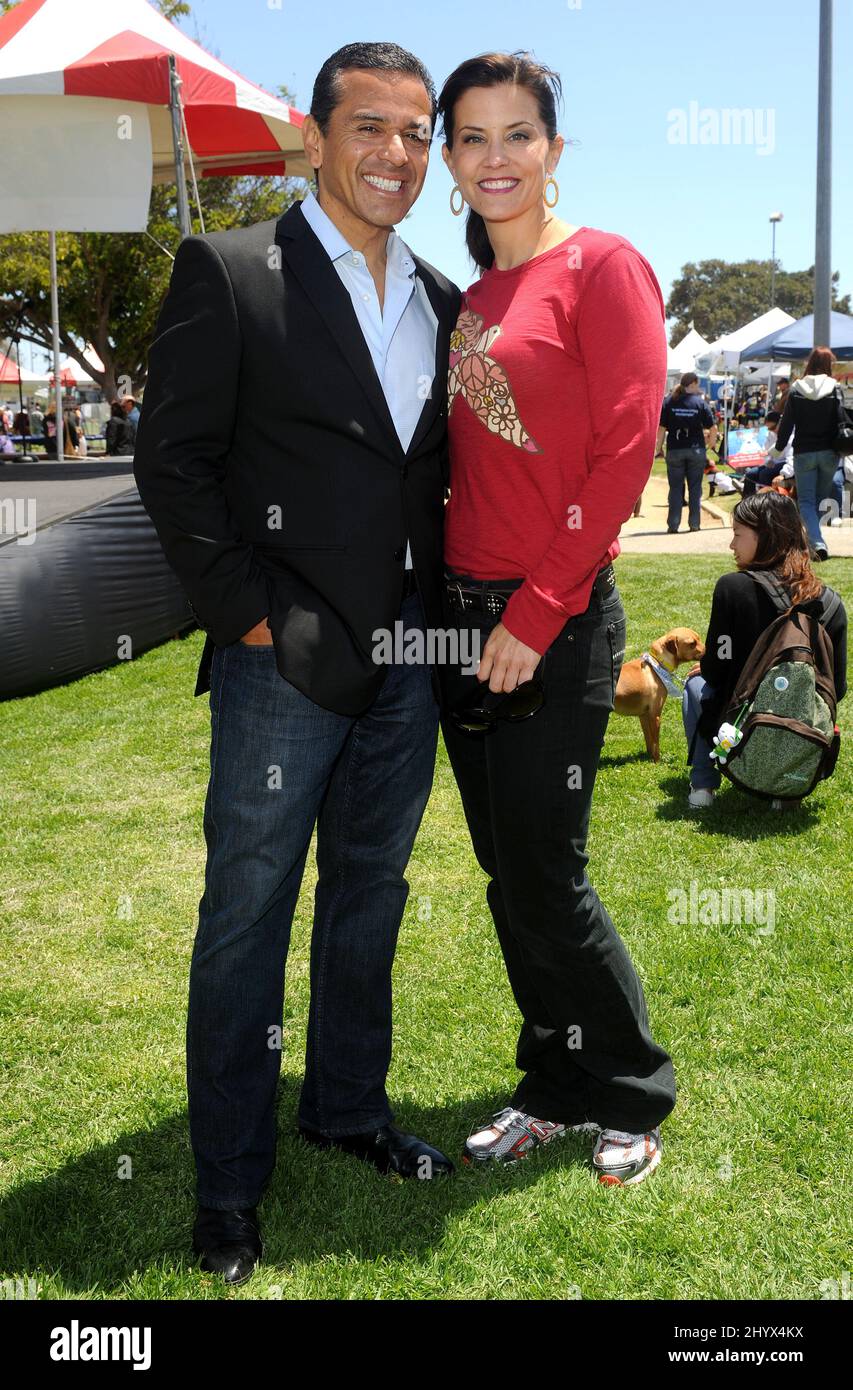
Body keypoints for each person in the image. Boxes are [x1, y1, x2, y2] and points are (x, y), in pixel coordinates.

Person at [134, 40, 461, 1284]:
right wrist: (248, 616)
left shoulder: (440, 294)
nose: (397, 153)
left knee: (369, 899)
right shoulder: (228, 271)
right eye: (370, 127)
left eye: (416, 133)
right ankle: (227, 1186)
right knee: (246, 920)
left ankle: (345, 1106)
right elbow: (173, 463)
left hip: (409, 664)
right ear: (314, 139)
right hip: (281, 666)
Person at [437, 52, 675, 1188]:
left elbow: (624, 447)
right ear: (447, 158)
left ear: (554, 151)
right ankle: (553, 1078)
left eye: (517, 134)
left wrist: (537, 607)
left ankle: (630, 1085)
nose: (496, 157)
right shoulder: (469, 301)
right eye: (473, 137)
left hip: (555, 616)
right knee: (505, 873)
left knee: (548, 869)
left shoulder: (604, 268)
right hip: (460, 620)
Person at [682, 491, 846, 809]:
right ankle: (784, 787)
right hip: (802, 733)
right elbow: (836, 689)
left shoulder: (732, 587)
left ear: (766, 536)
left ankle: (703, 787)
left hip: (736, 729)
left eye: (738, 535)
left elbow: (716, 673)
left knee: (696, 684)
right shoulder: (831, 603)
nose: (732, 545)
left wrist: (712, 666)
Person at [770, 347, 841, 561]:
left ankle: (814, 541)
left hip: (804, 452)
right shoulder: (835, 388)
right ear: (828, 365)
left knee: (807, 501)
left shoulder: (796, 390)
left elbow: (786, 425)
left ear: (809, 363)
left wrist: (777, 450)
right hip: (830, 452)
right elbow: (842, 420)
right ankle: (814, 541)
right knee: (819, 499)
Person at [657, 372, 717, 533]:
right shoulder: (699, 403)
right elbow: (713, 428)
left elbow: (661, 428)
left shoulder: (669, 401)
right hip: (696, 449)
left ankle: (673, 524)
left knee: (675, 488)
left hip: (675, 449)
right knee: (695, 488)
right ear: (694, 384)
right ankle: (694, 524)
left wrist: (658, 449)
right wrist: (711, 445)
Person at [740, 410, 793, 496]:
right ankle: (747, 499)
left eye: (772, 428)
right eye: (768, 428)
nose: (771, 430)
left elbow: (792, 459)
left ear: (780, 422)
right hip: (774, 463)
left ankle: (767, 501)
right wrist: (767, 460)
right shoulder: (770, 434)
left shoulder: (791, 434)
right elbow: (766, 451)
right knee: (750, 474)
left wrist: (784, 474)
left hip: (786, 464)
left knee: (765, 474)